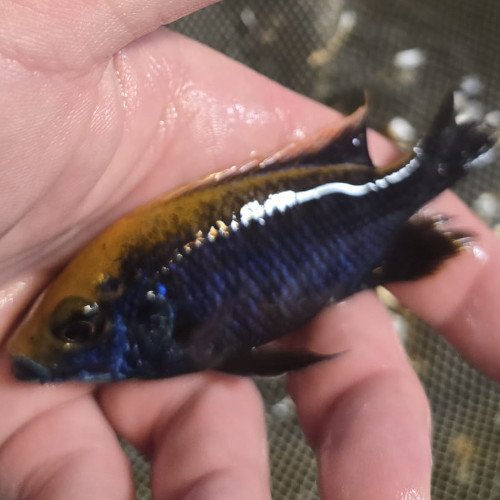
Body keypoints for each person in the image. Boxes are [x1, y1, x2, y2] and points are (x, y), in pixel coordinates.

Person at [0, 1, 498, 499]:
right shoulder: (153, 319)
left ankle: (437, 164)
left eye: (78, 329)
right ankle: (439, 164)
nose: (61, 347)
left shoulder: (166, 323)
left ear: (148, 311)